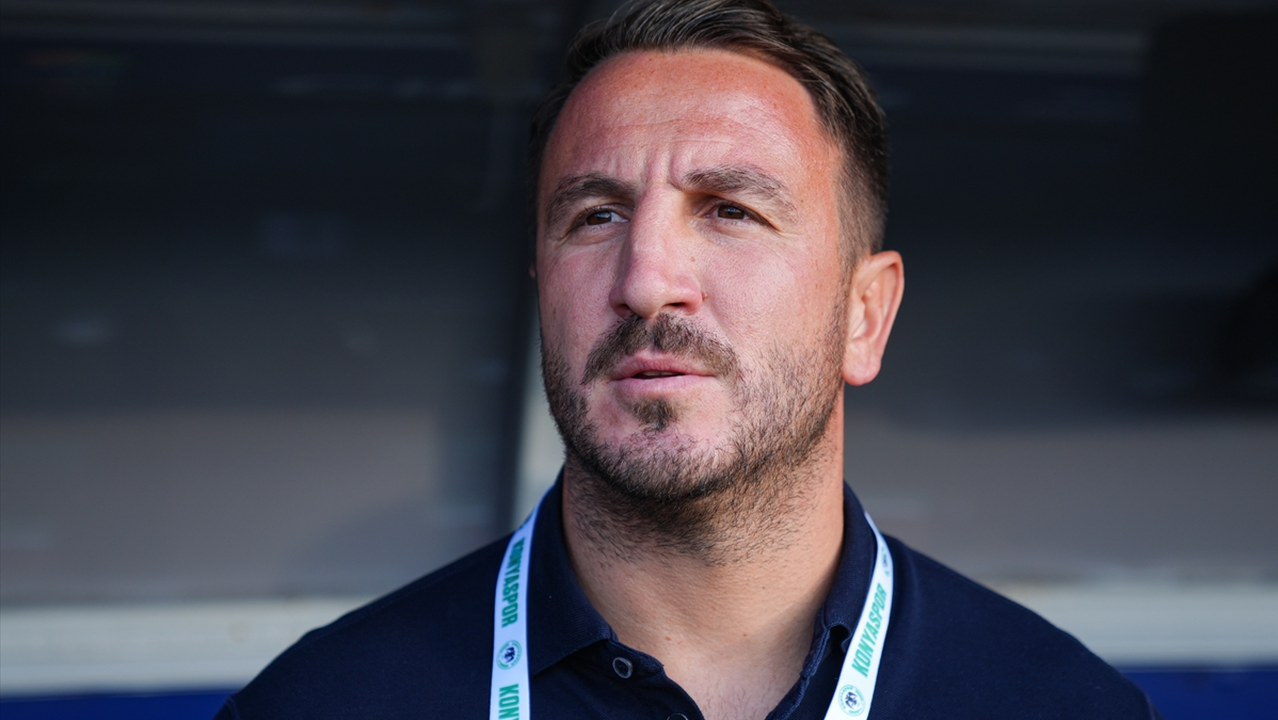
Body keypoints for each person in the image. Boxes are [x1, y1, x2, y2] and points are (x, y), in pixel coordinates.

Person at [215, 1, 1163, 718]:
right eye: (596, 216)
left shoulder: (1059, 707)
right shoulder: (321, 705)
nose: (646, 282)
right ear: (542, 290)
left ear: (864, 315)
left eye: (730, 210)